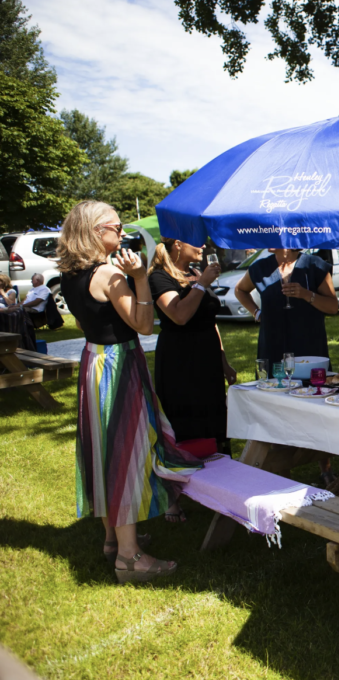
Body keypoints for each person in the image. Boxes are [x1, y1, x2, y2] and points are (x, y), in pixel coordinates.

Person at [56, 201, 202, 583]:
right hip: (119, 365)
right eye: (115, 227)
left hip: (94, 361)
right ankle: (129, 556)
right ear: (92, 231)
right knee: (127, 453)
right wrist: (139, 278)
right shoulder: (109, 274)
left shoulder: (71, 273)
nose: (122, 233)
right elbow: (144, 325)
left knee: (104, 450)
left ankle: (111, 539)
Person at [235, 248, 339, 485]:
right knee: (275, 405)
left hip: (309, 345)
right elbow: (240, 290)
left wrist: (306, 295)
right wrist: (256, 312)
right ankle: (281, 471)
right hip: (273, 346)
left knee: (317, 404)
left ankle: (326, 467)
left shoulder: (314, 266)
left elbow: (333, 306)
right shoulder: (260, 268)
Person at [149, 238, 237, 461]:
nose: (203, 247)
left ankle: (219, 470)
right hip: (181, 361)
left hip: (207, 358)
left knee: (213, 416)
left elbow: (210, 321)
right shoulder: (159, 277)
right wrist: (201, 285)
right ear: (178, 244)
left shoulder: (197, 273)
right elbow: (179, 316)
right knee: (188, 417)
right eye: (197, 243)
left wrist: (223, 361)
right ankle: (188, 468)